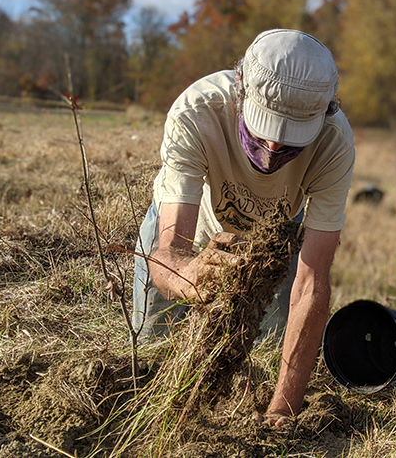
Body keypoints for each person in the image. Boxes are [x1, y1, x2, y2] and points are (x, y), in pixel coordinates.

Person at [131, 29, 355, 426]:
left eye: (289, 142)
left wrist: (282, 411)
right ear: (241, 89)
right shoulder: (199, 111)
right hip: (190, 230)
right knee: (152, 355)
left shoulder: (333, 144)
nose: (271, 150)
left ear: (326, 113)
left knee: (264, 353)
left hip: (272, 241)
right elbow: (167, 252)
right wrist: (190, 276)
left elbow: (311, 283)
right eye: (262, 130)